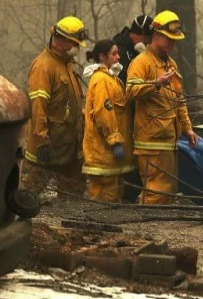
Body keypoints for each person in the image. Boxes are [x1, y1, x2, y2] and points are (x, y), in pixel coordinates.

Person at [126, 10, 198, 204]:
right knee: (155, 193)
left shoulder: (170, 63)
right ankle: (143, 231)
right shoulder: (141, 62)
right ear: (156, 35)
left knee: (167, 193)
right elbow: (130, 92)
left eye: (175, 40)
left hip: (168, 141)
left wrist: (187, 127)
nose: (172, 44)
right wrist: (156, 83)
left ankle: (154, 230)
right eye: (169, 39)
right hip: (151, 143)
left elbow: (178, 100)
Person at [22, 16, 88, 197]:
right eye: (74, 43)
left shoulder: (66, 64)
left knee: (73, 194)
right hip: (49, 147)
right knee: (30, 193)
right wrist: (42, 141)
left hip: (69, 147)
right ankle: (20, 222)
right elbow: (38, 106)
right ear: (59, 40)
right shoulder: (43, 66)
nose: (76, 48)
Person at [81, 40, 135, 202]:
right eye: (114, 54)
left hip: (110, 159)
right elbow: (103, 113)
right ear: (102, 57)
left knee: (113, 199)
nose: (118, 57)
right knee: (103, 201)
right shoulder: (101, 81)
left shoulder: (111, 79)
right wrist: (114, 141)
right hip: (104, 155)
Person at [113, 14, 154, 85]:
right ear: (135, 35)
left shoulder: (138, 51)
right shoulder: (118, 51)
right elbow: (120, 80)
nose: (148, 43)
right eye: (146, 39)